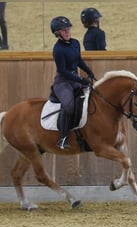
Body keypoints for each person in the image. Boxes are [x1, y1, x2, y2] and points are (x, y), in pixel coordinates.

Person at [50, 16, 95, 150]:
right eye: (64, 30)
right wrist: (81, 79)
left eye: (68, 29)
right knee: (69, 106)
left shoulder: (75, 43)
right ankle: (63, 138)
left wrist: (88, 71)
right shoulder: (58, 49)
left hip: (75, 79)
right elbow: (63, 71)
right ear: (57, 34)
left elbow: (79, 60)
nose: (67, 32)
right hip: (63, 82)